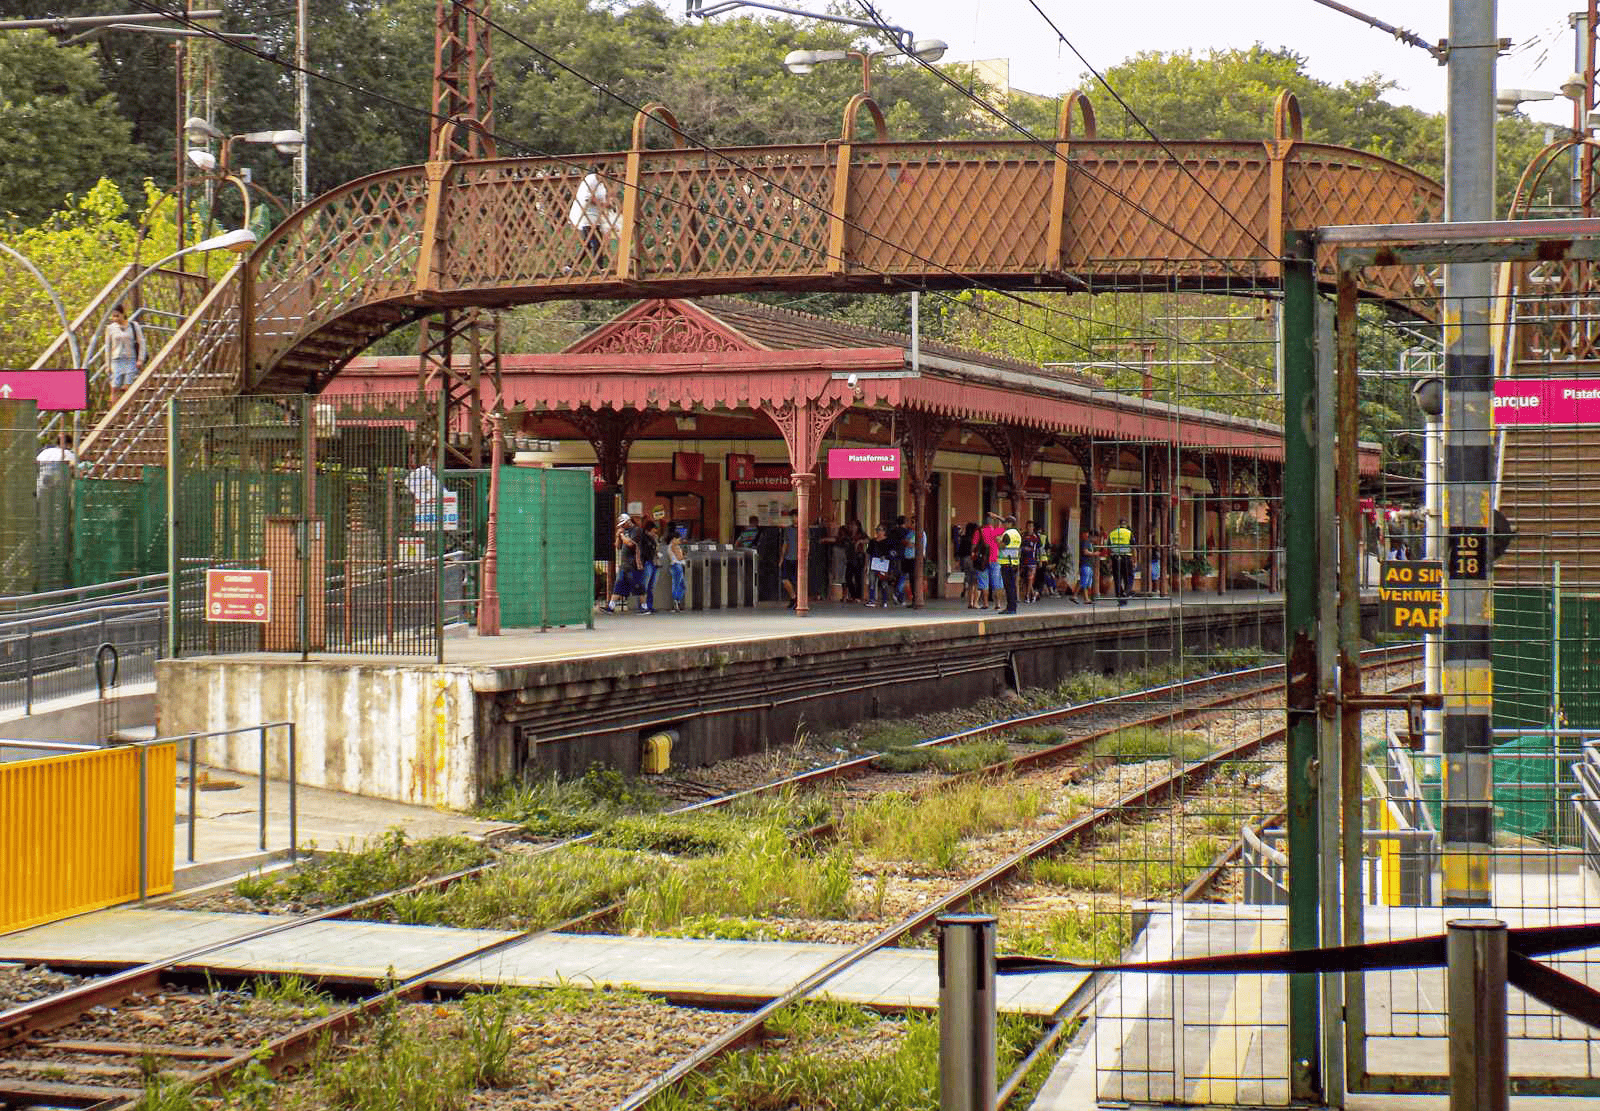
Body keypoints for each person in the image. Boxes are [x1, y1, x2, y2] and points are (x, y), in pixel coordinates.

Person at [569, 170, 617, 265]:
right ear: (599, 171)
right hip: (585, 215)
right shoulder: (590, 179)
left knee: (588, 244)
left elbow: (602, 199)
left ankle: (569, 266)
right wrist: (605, 204)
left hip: (595, 216)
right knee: (596, 242)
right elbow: (588, 198)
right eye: (606, 172)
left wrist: (609, 202)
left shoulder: (601, 184)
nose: (608, 174)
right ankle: (600, 267)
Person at [104, 306, 141, 406]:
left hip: (130, 357)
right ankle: (113, 407)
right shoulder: (110, 328)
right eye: (113, 316)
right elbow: (108, 347)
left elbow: (141, 343)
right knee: (115, 386)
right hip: (116, 358)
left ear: (123, 314)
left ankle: (128, 408)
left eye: (117, 316)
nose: (115, 318)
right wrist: (107, 365)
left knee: (127, 386)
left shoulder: (133, 326)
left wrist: (140, 359)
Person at [604, 513, 639, 613]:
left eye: (624, 524)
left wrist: (622, 535)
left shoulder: (635, 531)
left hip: (633, 563)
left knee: (638, 585)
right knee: (618, 584)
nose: (623, 526)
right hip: (624, 564)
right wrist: (618, 536)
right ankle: (611, 606)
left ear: (628, 521)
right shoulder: (624, 531)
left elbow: (630, 543)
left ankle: (645, 606)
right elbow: (618, 546)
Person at [980, 512, 1007, 610]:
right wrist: (998, 517)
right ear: (992, 523)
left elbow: (974, 544)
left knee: (984, 582)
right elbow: (1007, 525)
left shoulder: (980, 531)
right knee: (997, 583)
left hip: (982, 560)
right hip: (994, 559)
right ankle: (998, 603)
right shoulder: (995, 531)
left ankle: (985, 603)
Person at [997, 514, 1022, 614]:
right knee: (1013, 586)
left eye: (1005, 523)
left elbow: (1002, 546)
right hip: (1015, 563)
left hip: (1006, 563)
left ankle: (1010, 608)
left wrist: (998, 541)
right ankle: (1013, 607)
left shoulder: (1007, 534)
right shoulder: (1017, 534)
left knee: (1008, 587)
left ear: (1010, 523)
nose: (1004, 525)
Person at [865, 523, 894, 606]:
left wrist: (887, 558)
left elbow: (891, 553)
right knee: (872, 582)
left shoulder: (888, 541)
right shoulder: (872, 541)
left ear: (884, 531)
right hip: (873, 564)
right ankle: (871, 600)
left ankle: (884, 601)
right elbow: (868, 553)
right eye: (877, 530)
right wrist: (866, 564)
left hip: (883, 565)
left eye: (880, 530)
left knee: (883, 582)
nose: (878, 532)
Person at [1108, 518, 1135, 606]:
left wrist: (1110, 561)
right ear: (1126, 524)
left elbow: (1108, 547)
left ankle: (1121, 599)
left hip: (1115, 558)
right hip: (1126, 557)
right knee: (1129, 578)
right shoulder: (1129, 533)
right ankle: (1126, 593)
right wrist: (1134, 559)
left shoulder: (1112, 533)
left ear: (1119, 524)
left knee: (1117, 579)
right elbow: (1133, 547)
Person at [636, 520, 661, 614]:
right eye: (654, 531)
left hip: (654, 563)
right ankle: (643, 606)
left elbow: (656, 549)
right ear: (648, 530)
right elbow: (643, 551)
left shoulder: (653, 539)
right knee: (645, 585)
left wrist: (656, 540)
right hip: (647, 562)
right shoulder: (643, 539)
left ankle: (649, 606)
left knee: (651, 586)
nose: (655, 533)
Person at [957, 522, 981, 608]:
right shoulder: (976, 539)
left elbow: (959, 551)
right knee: (977, 582)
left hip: (964, 560)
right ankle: (975, 603)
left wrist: (959, 562)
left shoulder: (963, 538)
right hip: (973, 560)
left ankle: (970, 602)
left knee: (970, 582)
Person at [779, 508, 799, 609]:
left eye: (796, 516)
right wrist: (781, 558)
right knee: (784, 579)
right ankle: (793, 597)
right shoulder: (787, 529)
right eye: (793, 517)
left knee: (797, 581)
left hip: (798, 558)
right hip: (788, 557)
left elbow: (807, 544)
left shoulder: (804, 529)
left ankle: (795, 600)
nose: (794, 518)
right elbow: (785, 544)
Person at [1019, 520, 1041, 603]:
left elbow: (1039, 549)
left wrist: (1040, 560)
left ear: (1033, 528)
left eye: (1031, 526)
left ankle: (1027, 596)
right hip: (1023, 560)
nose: (1029, 528)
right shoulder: (1023, 536)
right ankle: (1034, 593)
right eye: (1028, 526)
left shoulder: (1036, 537)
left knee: (1030, 578)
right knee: (1026, 580)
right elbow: (1020, 545)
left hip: (1032, 561)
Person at [1074, 529, 1096, 605]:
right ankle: (1076, 595)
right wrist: (1094, 554)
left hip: (1089, 564)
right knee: (1084, 582)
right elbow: (1085, 551)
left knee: (1085, 582)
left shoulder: (1090, 543)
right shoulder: (1086, 542)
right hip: (1085, 564)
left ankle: (1086, 598)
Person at [668, 526, 687, 612]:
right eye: (678, 539)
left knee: (681, 585)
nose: (679, 541)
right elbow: (680, 557)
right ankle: (676, 602)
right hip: (676, 566)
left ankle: (678, 602)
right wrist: (683, 555)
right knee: (677, 584)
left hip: (678, 566)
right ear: (673, 539)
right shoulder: (673, 546)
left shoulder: (675, 546)